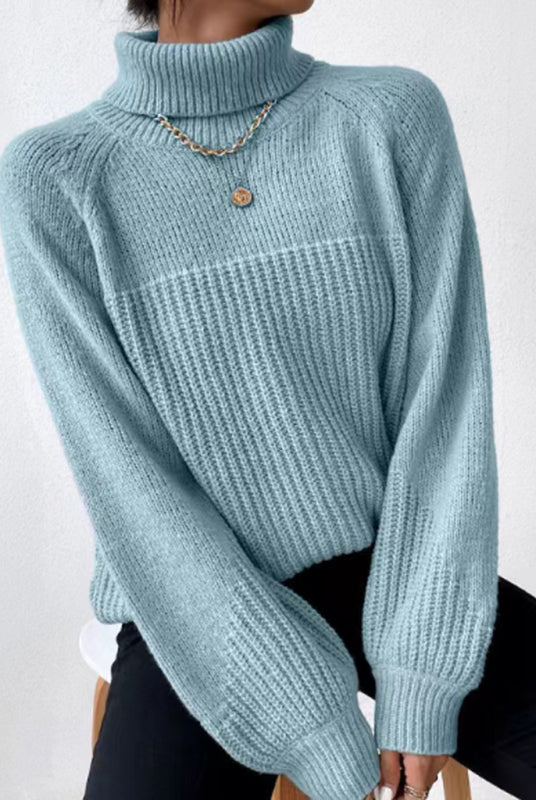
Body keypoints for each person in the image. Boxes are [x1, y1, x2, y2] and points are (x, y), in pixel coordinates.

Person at [0, 1, 534, 799]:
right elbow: (129, 485)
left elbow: (447, 411)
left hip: (397, 561)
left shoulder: (391, 117)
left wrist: (422, 676)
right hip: (195, 598)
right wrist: (312, 725)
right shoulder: (56, 177)